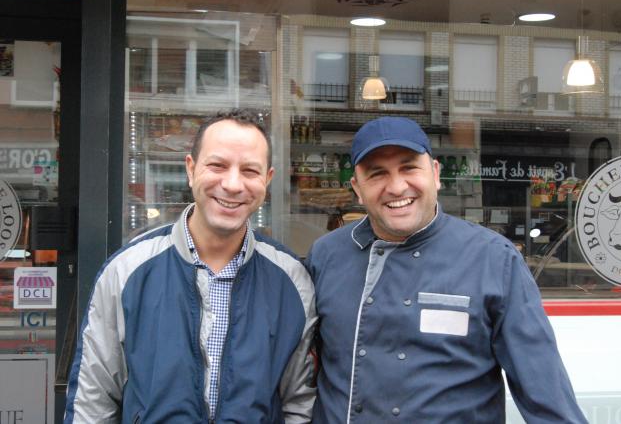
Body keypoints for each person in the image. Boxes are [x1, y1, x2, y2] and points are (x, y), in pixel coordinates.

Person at [306, 116, 587, 423]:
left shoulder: (493, 259)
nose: (397, 186)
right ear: (357, 189)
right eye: (377, 174)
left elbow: (545, 394)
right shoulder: (327, 255)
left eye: (409, 167)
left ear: (436, 174)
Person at [65, 109, 317, 423]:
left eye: (250, 170)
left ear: (267, 180)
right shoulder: (126, 271)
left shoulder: (291, 280)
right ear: (191, 168)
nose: (233, 184)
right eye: (218, 165)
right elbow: (93, 401)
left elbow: (300, 405)